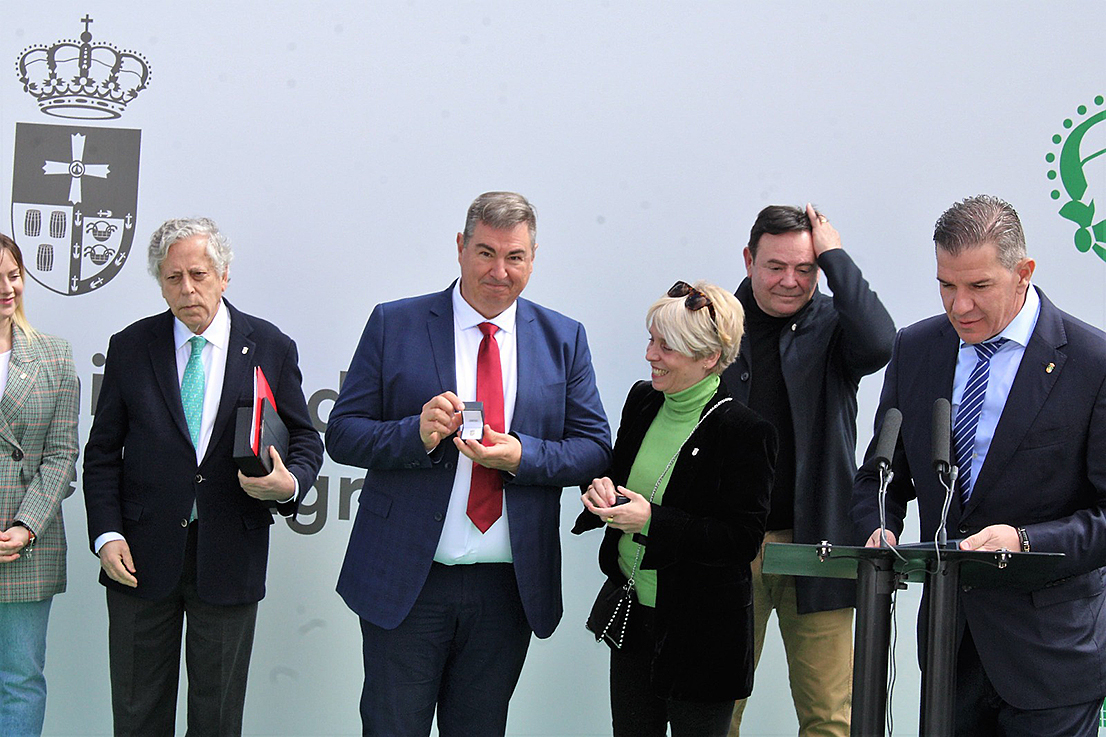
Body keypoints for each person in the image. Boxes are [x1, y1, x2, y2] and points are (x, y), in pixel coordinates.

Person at [326, 191, 612, 736]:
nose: (499, 271)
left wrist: (524, 455)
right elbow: (343, 435)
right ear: (460, 248)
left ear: (532, 259)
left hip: (505, 590)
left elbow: (595, 448)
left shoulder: (563, 338)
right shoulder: (395, 324)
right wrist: (415, 433)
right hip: (407, 584)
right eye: (485, 253)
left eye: (515, 257)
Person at [852, 195, 1106, 735]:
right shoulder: (916, 347)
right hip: (949, 651)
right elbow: (882, 473)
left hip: (1052, 658)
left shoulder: (1092, 363)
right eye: (947, 285)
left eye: (978, 287)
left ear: (1023, 273)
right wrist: (879, 523)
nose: (959, 305)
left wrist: (1024, 541)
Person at [83, 218, 324, 736]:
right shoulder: (130, 346)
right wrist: (106, 535)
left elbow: (306, 440)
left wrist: (292, 485)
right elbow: (102, 455)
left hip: (230, 555)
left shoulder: (270, 346)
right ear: (160, 282)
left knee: (216, 721)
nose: (187, 289)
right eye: (173, 278)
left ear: (224, 275)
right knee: (136, 714)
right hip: (138, 560)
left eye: (199, 273)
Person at [574, 280, 777, 736]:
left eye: (667, 346)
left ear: (709, 358)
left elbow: (741, 540)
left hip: (703, 636)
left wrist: (652, 521)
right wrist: (600, 495)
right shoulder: (643, 400)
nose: (650, 354)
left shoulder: (746, 431)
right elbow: (621, 477)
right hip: (633, 616)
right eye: (651, 339)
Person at [724, 204, 894, 737]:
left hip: (817, 545)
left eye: (806, 268)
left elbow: (880, 342)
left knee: (828, 717)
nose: (790, 282)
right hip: (727, 547)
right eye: (775, 266)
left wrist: (836, 255)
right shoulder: (715, 325)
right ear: (749, 259)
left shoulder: (833, 326)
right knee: (713, 709)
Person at [0, 234, 78, 737]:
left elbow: (61, 455)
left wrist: (25, 526)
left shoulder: (53, 355)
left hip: (26, 544)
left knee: (20, 680)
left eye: (13, 275)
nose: (8, 288)